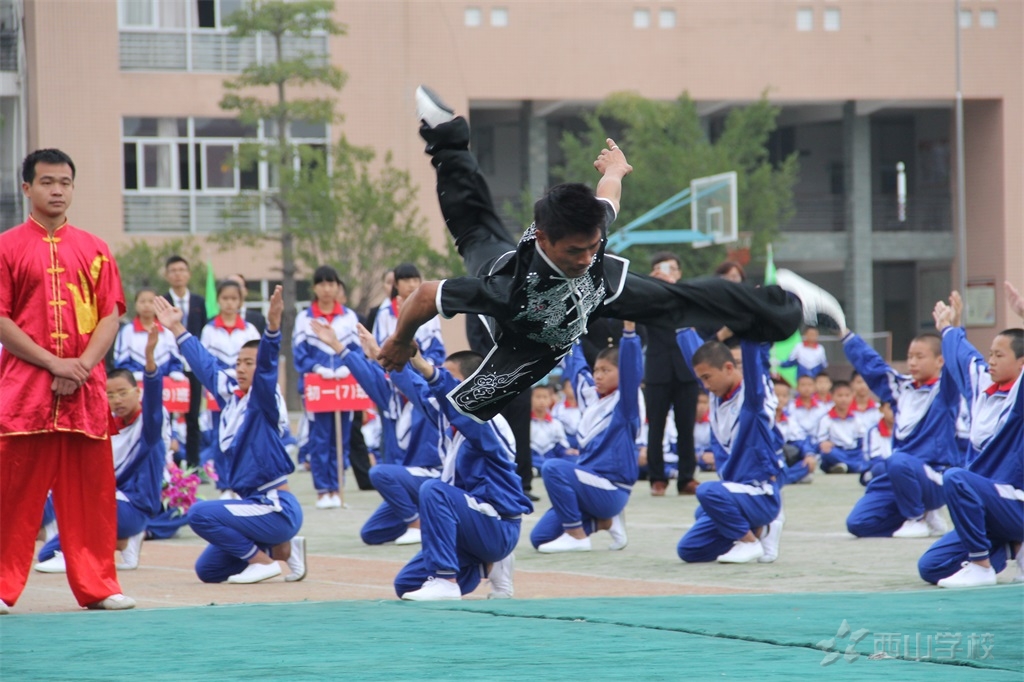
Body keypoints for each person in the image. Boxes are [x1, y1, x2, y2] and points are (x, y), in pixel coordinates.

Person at [377, 86, 804, 425]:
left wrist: (616, 170)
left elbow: (607, 200)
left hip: (598, 294)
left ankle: (781, 307)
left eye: (592, 246)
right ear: (544, 239)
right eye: (574, 251)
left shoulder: (590, 237)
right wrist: (400, 339)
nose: (585, 256)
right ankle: (446, 137)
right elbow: (424, 296)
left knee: (680, 300)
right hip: (528, 334)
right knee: (473, 229)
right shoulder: (506, 288)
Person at [1, 148, 135, 613]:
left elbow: (110, 316)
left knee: (91, 493)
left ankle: (99, 584)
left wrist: (78, 367)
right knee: (11, 491)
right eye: (46, 182)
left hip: (85, 392)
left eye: (65, 182)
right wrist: (54, 364)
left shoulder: (95, 249)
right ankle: (1, 585)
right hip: (23, 393)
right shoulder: (6, 247)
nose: (57, 190)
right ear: (27, 188)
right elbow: (1, 319)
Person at [154, 286, 306, 584]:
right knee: (208, 571)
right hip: (251, 506)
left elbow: (267, 367)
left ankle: (263, 562)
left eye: (249, 363)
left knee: (199, 514)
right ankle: (284, 550)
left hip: (275, 507)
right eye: (238, 362)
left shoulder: (263, 400)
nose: (241, 368)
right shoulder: (233, 398)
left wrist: (273, 329)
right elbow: (206, 366)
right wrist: (176, 328)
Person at [395, 350, 532, 601]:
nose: (442, 388)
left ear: (471, 386)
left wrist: (426, 367)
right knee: (405, 584)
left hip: (496, 522)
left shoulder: (487, 420)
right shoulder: (449, 418)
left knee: (433, 490)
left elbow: (444, 394)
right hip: (467, 521)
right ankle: (489, 566)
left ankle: (446, 580)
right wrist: (387, 359)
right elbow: (417, 390)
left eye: (451, 379)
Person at [35, 328, 168, 573]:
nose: (117, 400)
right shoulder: (109, 426)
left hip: (134, 506)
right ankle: (124, 542)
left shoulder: (149, 427)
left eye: (123, 393)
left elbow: (154, 404)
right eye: (110, 394)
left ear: (137, 392)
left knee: (81, 514)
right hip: (108, 502)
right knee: (45, 554)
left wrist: (149, 360)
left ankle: (80, 553)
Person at [918, 286, 1023, 588]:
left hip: (1016, 502)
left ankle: (981, 565)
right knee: (931, 567)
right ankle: (1010, 547)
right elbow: (961, 355)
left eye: (999, 355)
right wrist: (948, 327)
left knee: (956, 477)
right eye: (990, 353)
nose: (990, 360)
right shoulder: (981, 385)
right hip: (987, 504)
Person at [307, 321, 443, 546]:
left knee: (378, 473)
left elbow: (408, 380)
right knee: (372, 533)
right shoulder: (392, 401)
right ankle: (425, 519)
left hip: (429, 478)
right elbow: (366, 376)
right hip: (404, 483)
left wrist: (380, 355)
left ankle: (417, 523)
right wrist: (337, 345)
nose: (390, 371)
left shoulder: (431, 401)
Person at [529, 322, 641, 553]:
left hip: (611, 489)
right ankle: (605, 522)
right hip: (586, 484)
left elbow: (632, 370)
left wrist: (629, 334)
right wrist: (568, 330)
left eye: (606, 370)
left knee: (553, 468)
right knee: (539, 539)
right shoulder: (591, 397)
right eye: (597, 370)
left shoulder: (626, 404)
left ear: (622, 373)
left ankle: (577, 535)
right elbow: (577, 365)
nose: (598, 375)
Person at [842, 319, 960, 538]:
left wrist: (953, 329)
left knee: (896, 460)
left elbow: (958, 364)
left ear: (940, 361)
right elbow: (873, 367)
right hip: (900, 473)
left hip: (936, 476)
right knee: (858, 524)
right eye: (910, 356)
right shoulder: (901, 388)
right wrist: (845, 335)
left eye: (919, 356)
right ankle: (920, 514)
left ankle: (917, 517)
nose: (912, 362)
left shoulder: (946, 391)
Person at [675, 331, 785, 564]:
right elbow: (693, 351)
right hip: (736, 493)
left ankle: (749, 541)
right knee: (689, 550)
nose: (704, 385)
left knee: (707, 492)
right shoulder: (716, 394)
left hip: (760, 494)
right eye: (701, 379)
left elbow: (755, 360)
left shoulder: (752, 399)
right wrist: (679, 318)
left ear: (728, 368)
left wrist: (748, 321)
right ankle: (760, 530)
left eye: (707, 378)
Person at [292, 266, 359, 509]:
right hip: (317, 385)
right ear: (314, 288)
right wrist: (318, 369)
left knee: (341, 437)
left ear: (338, 287)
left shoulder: (349, 317)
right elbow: (299, 353)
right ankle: (323, 490)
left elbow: (358, 348)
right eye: (322, 284)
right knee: (320, 437)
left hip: (344, 384)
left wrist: (347, 367)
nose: (327, 289)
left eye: (331, 283)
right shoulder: (305, 318)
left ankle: (337, 488)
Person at [642, 252, 701, 497]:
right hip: (658, 370)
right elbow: (641, 316)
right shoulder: (647, 296)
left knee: (686, 426)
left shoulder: (688, 294)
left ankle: (686, 477)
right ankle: (657, 478)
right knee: (656, 426)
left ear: (679, 273)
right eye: (660, 268)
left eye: (671, 268)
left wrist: (675, 288)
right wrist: (650, 286)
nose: (666, 272)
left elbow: (693, 316)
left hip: (686, 369)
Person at [200, 279, 260, 498]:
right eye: (225, 298)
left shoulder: (250, 329)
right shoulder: (209, 330)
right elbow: (205, 362)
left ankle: (241, 483)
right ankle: (224, 484)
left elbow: (257, 359)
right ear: (218, 301)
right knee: (220, 436)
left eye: (234, 299)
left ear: (240, 301)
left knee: (243, 436)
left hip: (244, 391)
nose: (229, 303)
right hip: (218, 390)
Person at [163, 255, 207, 469]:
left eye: (182, 269)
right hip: (168, 369)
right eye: (173, 270)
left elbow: (203, 331)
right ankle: (168, 463)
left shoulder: (199, 302)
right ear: (167, 275)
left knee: (193, 416)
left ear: (188, 274)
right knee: (166, 416)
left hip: (193, 366)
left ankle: (193, 464)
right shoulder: (161, 301)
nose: (178, 274)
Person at [373, 262, 446, 367]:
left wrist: (427, 364)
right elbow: (381, 346)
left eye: (415, 280)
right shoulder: (385, 314)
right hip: (397, 372)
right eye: (406, 280)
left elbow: (437, 345)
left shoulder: (430, 310)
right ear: (396, 284)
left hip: (428, 369)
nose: (411, 284)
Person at [113, 287, 183, 380]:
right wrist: (132, 374)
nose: (146, 305)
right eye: (142, 301)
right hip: (135, 381)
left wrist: (175, 372)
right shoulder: (127, 331)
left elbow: (175, 358)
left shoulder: (167, 330)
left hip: (166, 382)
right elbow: (120, 360)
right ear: (135, 305)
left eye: (151, 302)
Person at [774, 376, 817, 485]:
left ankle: (779, 479)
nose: (780, 399)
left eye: (784, 396)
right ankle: (788, 477)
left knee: (807, 464)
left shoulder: (789, 419)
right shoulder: (763, 418)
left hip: (785, 456)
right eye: (776, 395)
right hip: (769, 457)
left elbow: (800, 440)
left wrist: (808, 454)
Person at [815, 380, 865, 474]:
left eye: (847, 395)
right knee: (827, 454)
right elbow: (821, 442)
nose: (843, 399)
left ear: (852, 396)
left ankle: (844, 466)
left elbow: (861, 441)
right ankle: (855, 467)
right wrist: (824, 444)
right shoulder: (826, 419)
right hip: (837, 450)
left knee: (864, 454)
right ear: (832, 396)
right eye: (840, 395)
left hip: (852, 452)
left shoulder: (856, 419)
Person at [529, 383, 575, 473]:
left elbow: (562, 447)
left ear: (551, 400)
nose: (541, 401)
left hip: (551, 458)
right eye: (538, 397)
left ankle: (540, 469)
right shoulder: (526, 422)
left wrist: (568, 451)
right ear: (530, 399)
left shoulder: (556, 423)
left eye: (545, 397)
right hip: (532, 458)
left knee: (574, 460)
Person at [788, 374, 826, 445]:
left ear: (815, 387)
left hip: (817, 441)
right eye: (803, 385)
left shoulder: (822, 407)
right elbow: (792, 427)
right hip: (798, 441)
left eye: (809, 385)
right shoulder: (791, 406)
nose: (806, 388)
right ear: (797, 388)